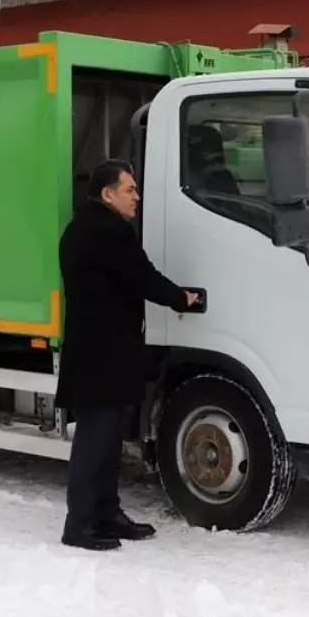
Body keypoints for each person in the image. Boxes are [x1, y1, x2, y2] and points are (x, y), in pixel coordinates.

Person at [55, 161, 199, 551]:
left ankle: (105, 514)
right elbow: (142, 275)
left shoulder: (82, 228)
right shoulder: (107, 231)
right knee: (95, 441)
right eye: (129, 189)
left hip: (101, 351)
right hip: (103, 353)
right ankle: (81, 524)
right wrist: (181, 297)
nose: (136, 196)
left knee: (106, 439)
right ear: (107, 194)